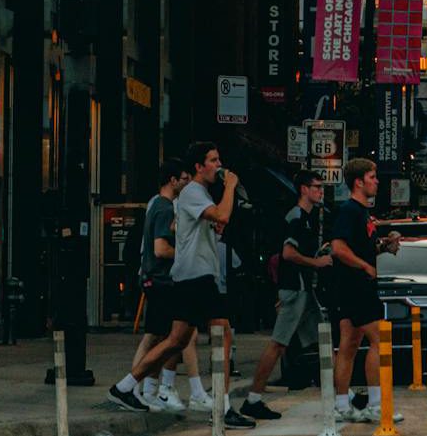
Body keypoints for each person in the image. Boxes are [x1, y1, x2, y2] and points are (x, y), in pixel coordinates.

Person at [109, 143, 256, 429]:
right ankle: (223, 408)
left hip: (192, 275)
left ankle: (125, 387)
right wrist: (230, 187)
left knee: (175, 341)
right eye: (213, 160)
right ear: (199, 167)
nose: (219, 164)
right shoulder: (193, 192)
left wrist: (204, 227)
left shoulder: (195, 195)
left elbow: (181, 226)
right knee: (223, 334)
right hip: (197, 276)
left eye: (218, 158)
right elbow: (223, 215)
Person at [240, 172, 332, 422]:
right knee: (278, 343)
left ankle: (338, 395)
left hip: (304, 289)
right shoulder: (296, 217)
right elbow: (288, 253)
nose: (321, 191)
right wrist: (317, 262)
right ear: (303, 189)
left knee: (323, 339)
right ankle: (253, 400)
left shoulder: (309, 219)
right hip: (294, 288)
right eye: (316, 187)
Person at [132, 160, 212, 414]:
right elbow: (160, 248)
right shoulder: (165, 208)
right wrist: (186, 252)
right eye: (184, 179)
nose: (187, 184)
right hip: (160, 280)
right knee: (157, 338)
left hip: (158, 279)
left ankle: (153, 390)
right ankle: (134, 389)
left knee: (171, 337)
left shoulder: (157, 204)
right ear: (172, 180)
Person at [330, 158, 400, 426]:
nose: (377, 181)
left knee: (349, 344)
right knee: (380, 341)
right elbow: (338, 248)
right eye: (372, 177)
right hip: (356, 286)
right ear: (358, 182)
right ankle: (375, 404)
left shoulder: (361, 213)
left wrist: (384, 246)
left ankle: (341, 405)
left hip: (351, 286)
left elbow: (358, 246)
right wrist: (365, 267)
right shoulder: (350, 210)